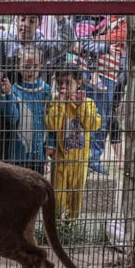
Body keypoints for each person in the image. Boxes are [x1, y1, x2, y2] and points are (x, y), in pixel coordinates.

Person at [73, 0, 126, 175]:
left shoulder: (116, 19)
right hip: (95, 72)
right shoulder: (90, 16)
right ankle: (88, 158)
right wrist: (104, 45)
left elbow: (123, 37)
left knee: (102, 119)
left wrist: (101, 42)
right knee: (90, 116)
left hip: (111, 74)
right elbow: (84, 44)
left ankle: (93, 158)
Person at [45, 64, 101, 220]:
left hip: (80, 162)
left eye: (68, 83)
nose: (63, 87)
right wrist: (61, 104)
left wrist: (81, 106)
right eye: (60, 83)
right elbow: (53, 125)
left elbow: (93, 125)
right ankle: (57, 227)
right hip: (61, 160)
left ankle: (71, 228)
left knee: (76, 198)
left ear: (79, 83)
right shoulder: (57, 102)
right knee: (58, 197)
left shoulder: (87, 102)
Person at [0, 45, 52, 174]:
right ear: (19, 66)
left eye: (35, 66)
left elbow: (52, 120)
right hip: (18, 153)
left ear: (40, 67)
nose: (31, 71)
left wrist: (51, 143)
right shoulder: (15, 90)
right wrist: (6, 94)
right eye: (26, 67)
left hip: (39, 153)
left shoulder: (46, 90)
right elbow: (12, 118)